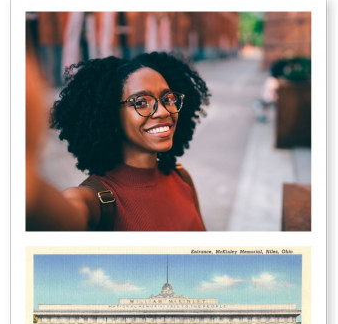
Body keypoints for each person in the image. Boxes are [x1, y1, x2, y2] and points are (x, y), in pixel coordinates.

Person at [27, 51, 209, 231]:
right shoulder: (94, 201)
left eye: (168, 99)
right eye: (141, 102)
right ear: (112, 116)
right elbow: (54, 214)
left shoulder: (182, 178)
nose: (163, 111)